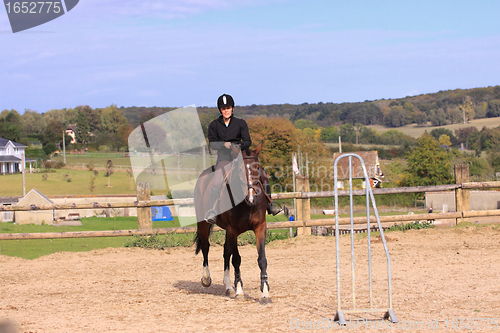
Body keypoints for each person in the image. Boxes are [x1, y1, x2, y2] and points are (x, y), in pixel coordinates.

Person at [205, 94, 281, 224]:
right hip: (224, 159)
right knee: (217, 181)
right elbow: (212, 143)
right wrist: (224, 144)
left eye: (228, 108)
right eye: (223, 109)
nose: (226, 110)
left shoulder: (241, 123)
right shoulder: (214, 125)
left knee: (262, 174)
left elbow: (247, 141)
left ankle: (270, 204)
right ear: (220, 110)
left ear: (232, 108)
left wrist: (237, 146)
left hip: (241, 158)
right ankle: (212, 211)